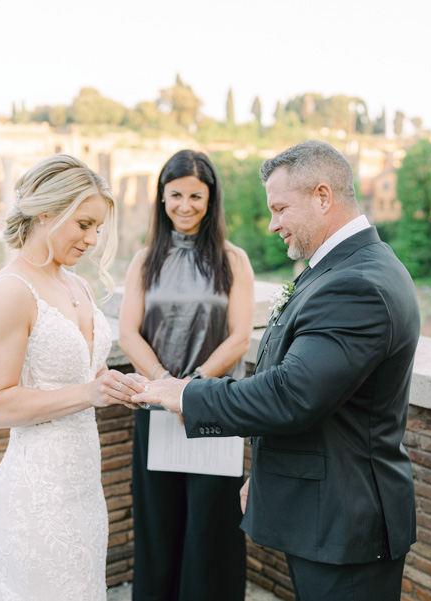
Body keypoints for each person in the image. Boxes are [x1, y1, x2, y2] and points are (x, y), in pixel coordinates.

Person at [134, 140, 420, 601]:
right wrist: (265, 476)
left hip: (345, 522)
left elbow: (290, 395)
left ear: (322, 197)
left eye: (281, 208)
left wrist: (184, 394)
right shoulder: (337, 270)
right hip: (326, 514)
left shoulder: (355, 285)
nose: (273, 224)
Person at [0, 154, 144, 600]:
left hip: (82, 488)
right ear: (45, 214)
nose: (93, 240)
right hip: (34, 496)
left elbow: (83, 375)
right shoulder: (9, 292)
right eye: (83, 224)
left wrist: (117, 384)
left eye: (98, 228)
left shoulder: (75, 284)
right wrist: (89, 392)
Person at [119, 149, 255, 601]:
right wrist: (164, 387)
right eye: (175, 194)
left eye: (196, 196)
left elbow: (239, 338)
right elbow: (127, 334)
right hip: (156, 408)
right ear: (162, 197)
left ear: (210, 199)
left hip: (214, 407)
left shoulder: (233, 260)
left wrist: (190, 389)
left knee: (211, 526)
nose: (185, 205)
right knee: (158, 523)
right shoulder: (144, 260)